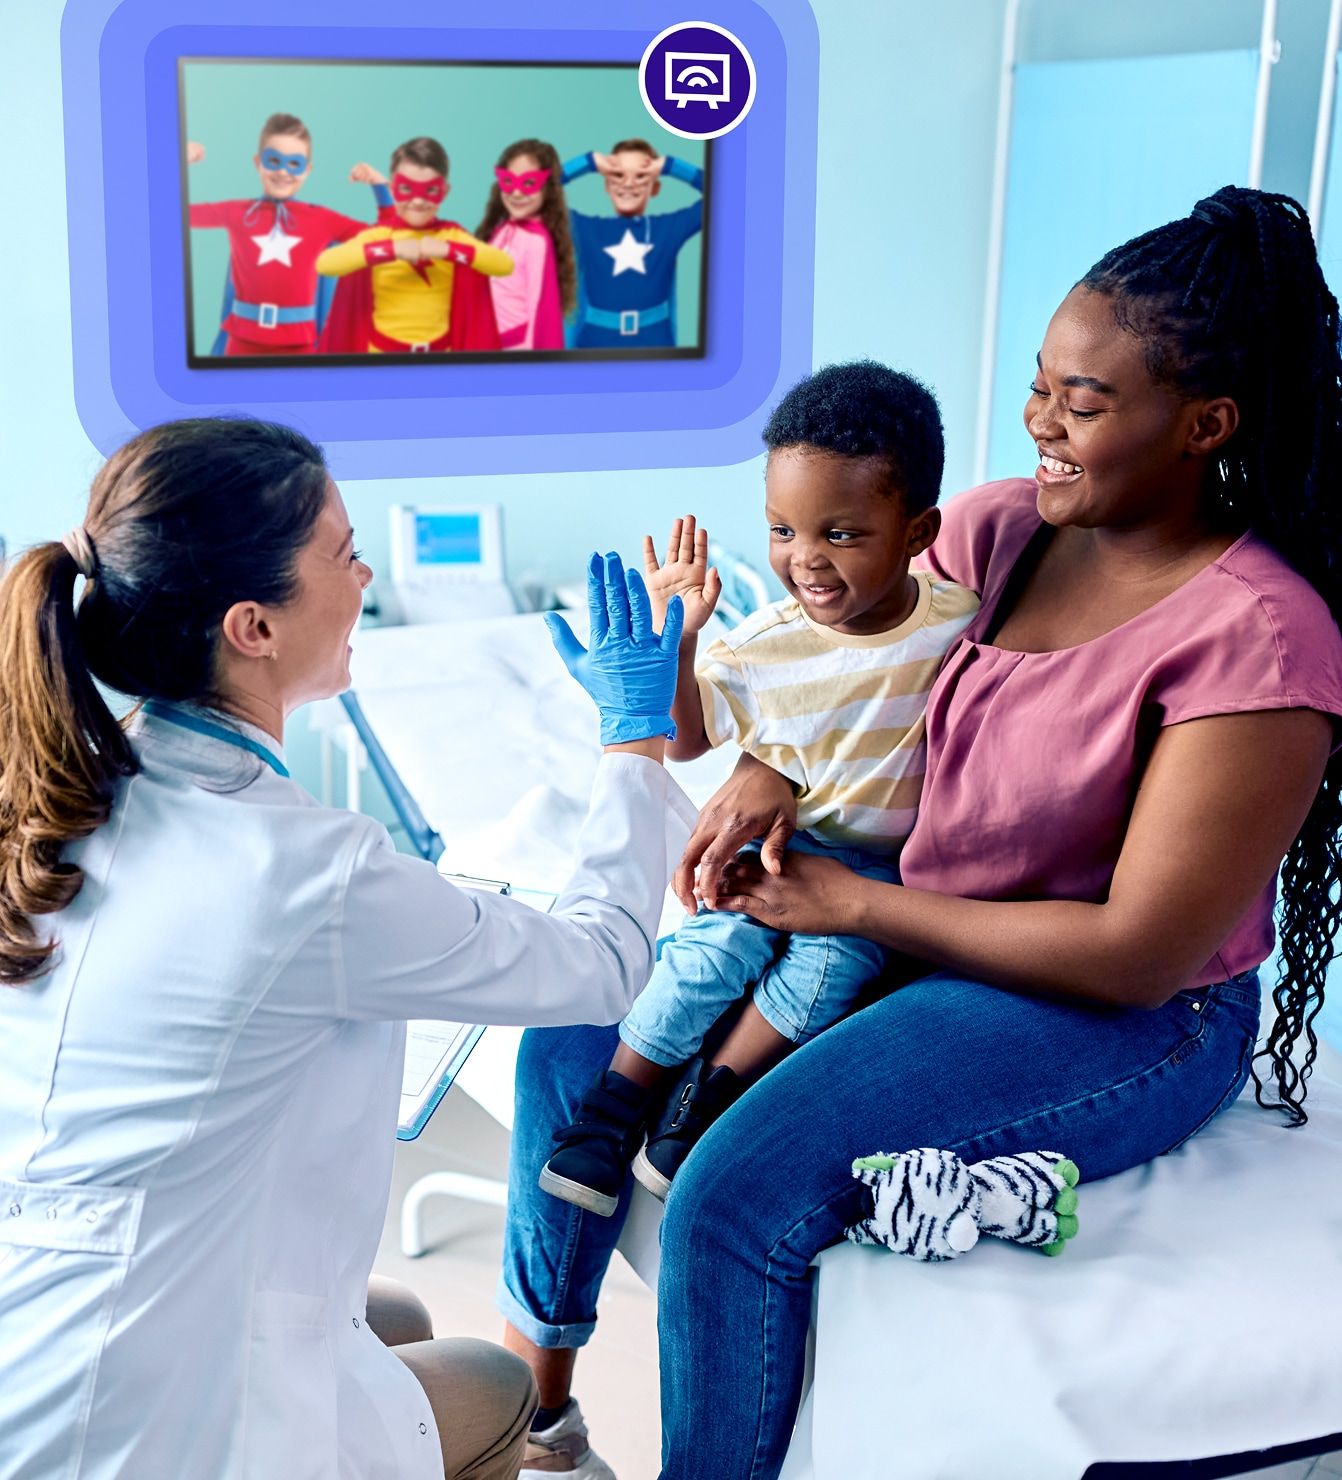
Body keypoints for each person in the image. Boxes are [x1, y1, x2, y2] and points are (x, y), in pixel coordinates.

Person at [499, 186, 1342, 1480]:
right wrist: (775, 767)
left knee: (733, 1196)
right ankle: (535, 1420)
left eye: (1085, 401)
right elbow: (846, 665)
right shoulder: (1007, 528)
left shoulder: (1259, 639)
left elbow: (1133, 954)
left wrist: (851, 907)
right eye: (1039, 386)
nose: (1041, 425)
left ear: (1205, 426)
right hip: (912, 924)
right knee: (570, 1035)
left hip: (1115, 1011)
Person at [0, 417, 688, 1480]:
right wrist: (633, 741)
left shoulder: (66, 793)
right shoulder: (304, 871)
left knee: (395, 1312)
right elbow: (599, 962)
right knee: (496, 1387)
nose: (363, 573)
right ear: (252, 627)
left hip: (34, 1331)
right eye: (342, 551)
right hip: (138, 1427)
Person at [538, 364, 980, 1218]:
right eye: (782, 529)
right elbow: (691, 735)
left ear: (918, 529)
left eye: (842, 534)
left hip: (879, 873)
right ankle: (614, 1106)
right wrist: (679, 646)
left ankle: (702, 1105)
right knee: (713, 951)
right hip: (787, 843)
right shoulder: (769, 641)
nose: (803, 559)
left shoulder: (957, 622)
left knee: (828, 972)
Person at [186, 112, 389, 357]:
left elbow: (386, 238)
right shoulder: (237, 212)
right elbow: (169, 216)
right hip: (242, 342)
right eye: (274, 160)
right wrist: (176, 160)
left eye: (294, 163)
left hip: (299, 346)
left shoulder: (321, 219)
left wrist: (379, 186)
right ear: (257, 162)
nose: (283, 172)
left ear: (308, 170)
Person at [317, 135, 511, 354]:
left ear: (445, 192)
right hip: (382, 359)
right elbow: (325, 264)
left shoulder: (452, 235)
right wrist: (391, 250)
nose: (418, 201)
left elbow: (504, 265)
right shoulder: (379, 235)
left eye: (430, 190)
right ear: (392, 188)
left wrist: (449, 250)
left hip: (439, 360)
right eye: (407, 189)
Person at [560, 140, 702, 349]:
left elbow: (727, 195)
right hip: (594, 347)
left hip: (655, 347)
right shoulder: (586, 229)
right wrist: (588, 162)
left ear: (655, 187)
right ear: (606, 185)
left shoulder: (668, 229)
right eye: (618, 175)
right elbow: (533, 195)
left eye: (641, 176)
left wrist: (671, 166)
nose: (628, 184)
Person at [475, 139, 576, 351]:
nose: (517, 193)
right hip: (490, 346)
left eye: (529, 183)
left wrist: (534, 367)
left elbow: (541, 309)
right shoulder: (500, 230)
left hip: (517, 352)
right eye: (509, 182)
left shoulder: (536, 241)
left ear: (548, 189)